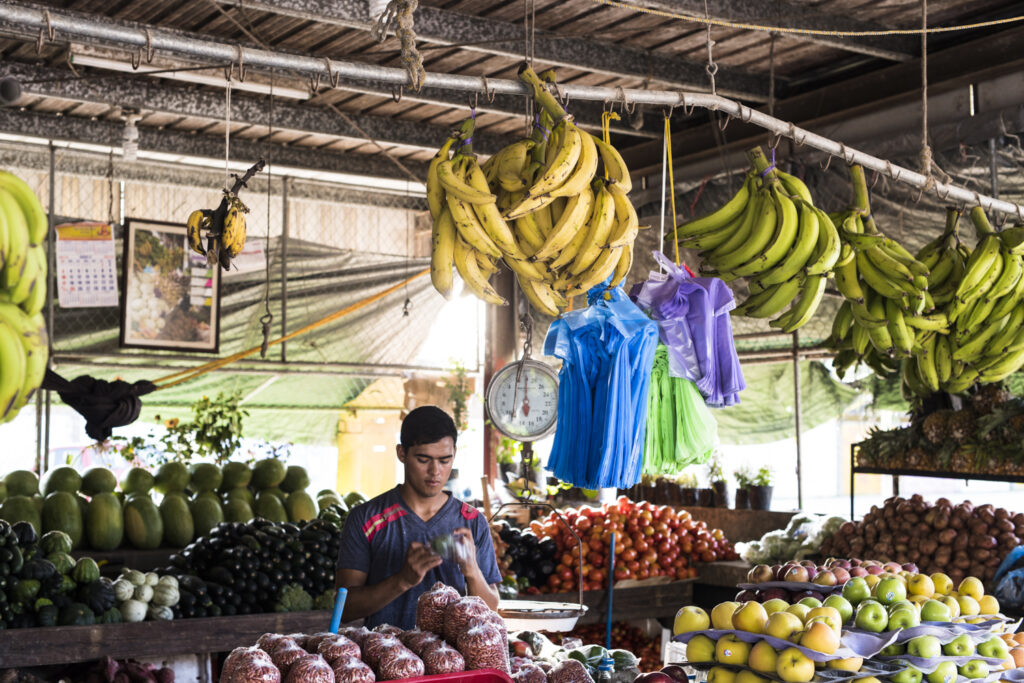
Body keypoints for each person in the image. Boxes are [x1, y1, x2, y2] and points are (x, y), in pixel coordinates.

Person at [334, 405, 501, 629]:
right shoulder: (366, 519)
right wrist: (402, 580)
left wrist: (471, 570)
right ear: (401, 453)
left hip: (453, 659)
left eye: (444, 460)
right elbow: (344, 609)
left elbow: (491, 610)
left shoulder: (472, 521)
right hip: (385, 656)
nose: (435, 472)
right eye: (423, 460)